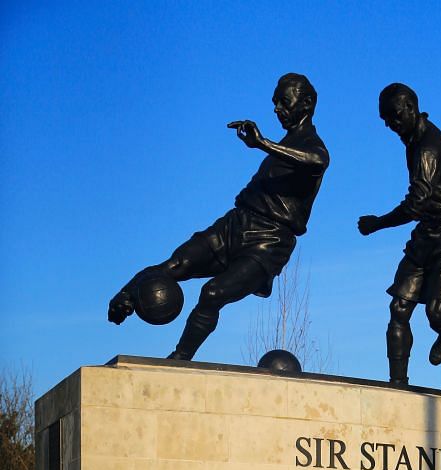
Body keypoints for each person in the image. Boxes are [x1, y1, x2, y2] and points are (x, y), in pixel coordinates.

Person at [108, 73, 328, 361]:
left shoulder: (311, 146)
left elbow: (318, 160)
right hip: (234, 224)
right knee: (175, 263)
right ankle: (124, 294)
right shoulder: (286, 146)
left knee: (212, 293)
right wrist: (130, 290)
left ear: (307, 102)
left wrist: (263, 144)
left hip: (269, 242)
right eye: (275, 103)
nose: (277, 109)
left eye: (284, 102)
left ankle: (180, 358)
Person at [358, 83, 441, 386]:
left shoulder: (427, 148)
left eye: (394, 117)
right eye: (385, 121)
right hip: (426, 233)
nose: (390, 126)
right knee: (399, 307)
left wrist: (377, 223)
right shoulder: (412, 139)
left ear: (410, 108)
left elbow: (416, 203)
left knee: (435, 312)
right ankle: (398, 384)